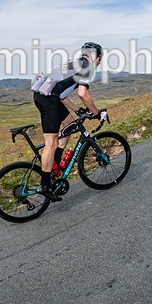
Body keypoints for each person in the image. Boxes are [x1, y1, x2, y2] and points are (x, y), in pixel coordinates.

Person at [33, 42, 104, 201]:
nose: (99, 63)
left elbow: (61, 92)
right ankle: (45, 185)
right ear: (95, 57)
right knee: (50, 143)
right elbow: (83, 94)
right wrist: (96, 113)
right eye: (100, 59)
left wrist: (77, 110)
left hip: (48, 97)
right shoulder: (87, 67)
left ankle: (55, 166)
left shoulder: (73, 64)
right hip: (48, 100)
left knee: (71, 125)